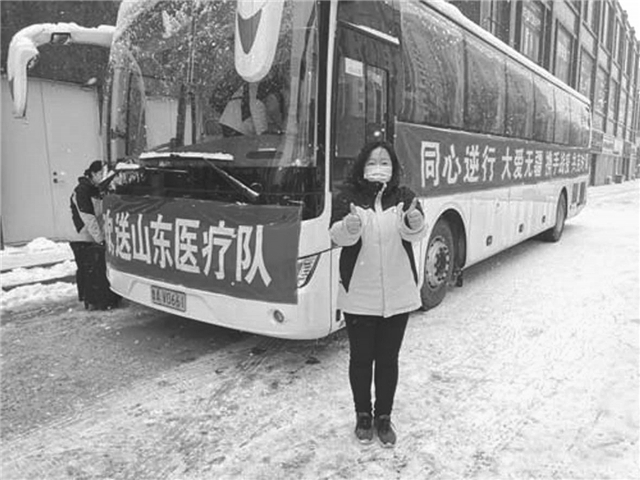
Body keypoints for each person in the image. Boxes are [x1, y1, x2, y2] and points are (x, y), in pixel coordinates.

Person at [329, 141, 428, 447]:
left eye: (385, 162)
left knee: (387, 360)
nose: (379, 167)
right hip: (359, 293)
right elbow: (337, 237)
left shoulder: (405, 197)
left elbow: (416, 232)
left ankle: (384, 417)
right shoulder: (348, 197)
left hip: (398, 293)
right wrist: (348, 227)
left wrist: (414, 222)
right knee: (361, 359)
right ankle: (363, 415)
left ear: (393, 167)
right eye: (373, 161)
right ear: (362, 165)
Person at [69, 160, 118, 310]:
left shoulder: (95, 190)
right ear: (93, 174)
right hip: (81, 237)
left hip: (92, 236)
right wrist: (100, 239)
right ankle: (89, 300)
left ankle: (94, 299)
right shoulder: (82, 190)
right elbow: (88, 217)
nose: (102, 177)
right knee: (87, 269)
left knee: (94, 269)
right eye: (100, 174)